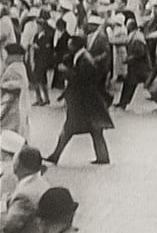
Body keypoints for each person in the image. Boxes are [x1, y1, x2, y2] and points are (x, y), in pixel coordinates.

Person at [45, 36, 112, 166]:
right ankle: (102, 157)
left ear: (76, 45)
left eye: (70, 44)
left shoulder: (84, 59)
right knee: (95, 130)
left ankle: (56, 155)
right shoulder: (83, 56)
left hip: (84, 101)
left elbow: (82, 78)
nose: (69, 47)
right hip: (89, 100)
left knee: (70, 129)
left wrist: (67, 71)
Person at [0, 43, 30, 140]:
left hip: (12, 108)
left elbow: (14, 88)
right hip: (19, 106)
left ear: (14, 56)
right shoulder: (20, 66)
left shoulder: (14, 68)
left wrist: (3, 86)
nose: (5, 57)